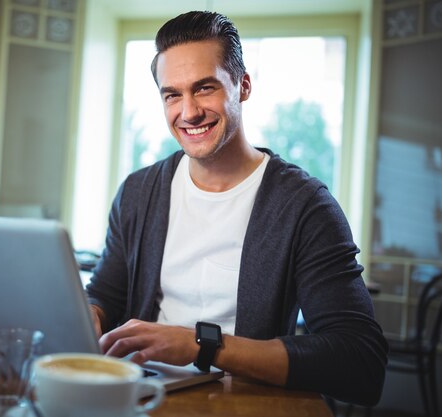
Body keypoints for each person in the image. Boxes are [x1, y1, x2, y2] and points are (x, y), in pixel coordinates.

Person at [85, 10, 388, 406]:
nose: (188, 112)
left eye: (205, 88)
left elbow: (360, 362)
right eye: (172, 94)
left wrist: (201, 346)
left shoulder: (305, 206)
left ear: (243, 86)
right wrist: (89, 315)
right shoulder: (138, 192)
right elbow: (107, 292)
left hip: (244, 402)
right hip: (142, 397)